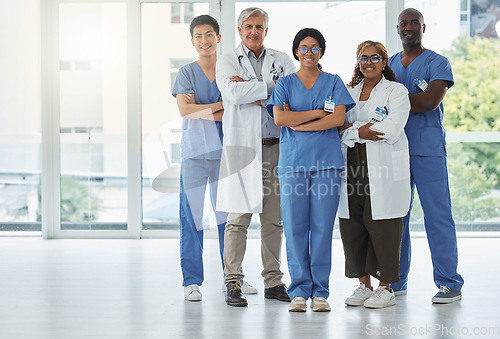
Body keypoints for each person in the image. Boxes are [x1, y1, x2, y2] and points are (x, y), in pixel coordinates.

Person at [269, 28, 355, 312]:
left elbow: (338, 118)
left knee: (321, 228)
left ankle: (320, 292)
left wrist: (299, 122)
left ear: (322, 52)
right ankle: (298, 291)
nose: (309, 52)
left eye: (314, 48)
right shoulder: (284, 83)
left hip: (327, 164)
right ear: (296, 52)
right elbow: (280, 118)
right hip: (293, 163)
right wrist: (318, 113)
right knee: (294, 228)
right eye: (303, 48)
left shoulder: (332, 82)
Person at [171, 15, 256, 302]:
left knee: (228, 219)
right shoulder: (185, 72)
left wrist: (201, 107)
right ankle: (191, 281)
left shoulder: (230, 68)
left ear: (219, 38)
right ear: (192, 40)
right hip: (195, 154)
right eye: (198, 36)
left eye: (209, 34)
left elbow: (239, 106)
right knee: (191, 219)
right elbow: (186, 112)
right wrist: (223, 105)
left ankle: (232, 278)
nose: (204, 40)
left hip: (226, 154)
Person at [215, 7, 295, 307]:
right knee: (237, 219)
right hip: (243, 150)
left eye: (259, 26)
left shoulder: (282, 60)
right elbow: (232, 94)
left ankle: (273, 281)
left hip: (277, 147)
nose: (253, 31)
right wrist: (269, 90)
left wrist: (250, 90)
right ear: (239, 29)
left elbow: (292, 92)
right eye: (248, 26)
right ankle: (232, 281)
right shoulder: (226, 61)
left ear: (266, 30)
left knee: (273, 221)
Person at [388, 8, 464, 303]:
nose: (409, 27)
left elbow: (430, 100)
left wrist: (391, 101)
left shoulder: (437, 62)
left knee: (438, 216)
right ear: (397, 29)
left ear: (423, 27)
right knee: (397, 218)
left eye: (414, 23)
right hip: (395, 149)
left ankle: (449, 282)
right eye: (404, 23)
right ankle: (395, 280)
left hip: (428, 150)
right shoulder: (390, 64)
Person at [338, 41, 411, 309]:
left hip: (382, 168)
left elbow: (391, 128)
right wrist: (360, 130)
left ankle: (386, 288)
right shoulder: (348, 92)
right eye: (363, 58)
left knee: (384, 227)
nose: (368, 62)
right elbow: (336, 127)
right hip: (352, 165)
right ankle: (363, 285)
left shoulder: (396, 91)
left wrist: (353, 129)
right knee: (353, 225)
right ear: (358, 62)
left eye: (374, 57)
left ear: (383, 61)